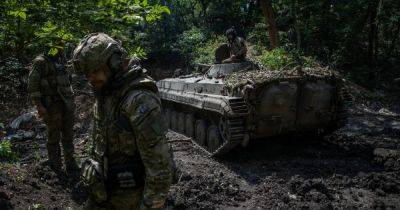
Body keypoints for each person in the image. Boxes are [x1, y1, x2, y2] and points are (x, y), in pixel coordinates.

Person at [72, 33, 173, 210]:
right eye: (87, 74)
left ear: (113, 63)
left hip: (130, 200)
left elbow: (160, 170)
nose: (90, 79)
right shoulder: (106, 91)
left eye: (95, 71)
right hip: (102, 194)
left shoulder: (139, 100)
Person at [27, 46, 78, 174]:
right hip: (52, 105)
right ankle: (56, 166)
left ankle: (70, 163)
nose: (60, 48)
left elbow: (68, 81)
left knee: (68, 134)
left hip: (66, 103)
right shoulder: (40, 62)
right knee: (53, 136)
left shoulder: (61, 60)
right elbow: (33, 86)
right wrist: (39, 106)